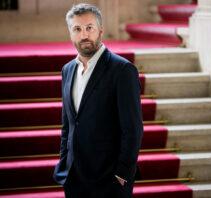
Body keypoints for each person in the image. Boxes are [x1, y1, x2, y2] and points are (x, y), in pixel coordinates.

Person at [53, 3, 143, 198]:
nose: (84, 35)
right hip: (74, 179)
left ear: (100, 31)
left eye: (89, 28)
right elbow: (68, 125)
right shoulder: (67, 70)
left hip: (109, 182)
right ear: (70, 33)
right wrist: (64, 164)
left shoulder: (122, 70)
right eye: (77, 29)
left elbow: (133, 130)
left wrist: (122, 175)